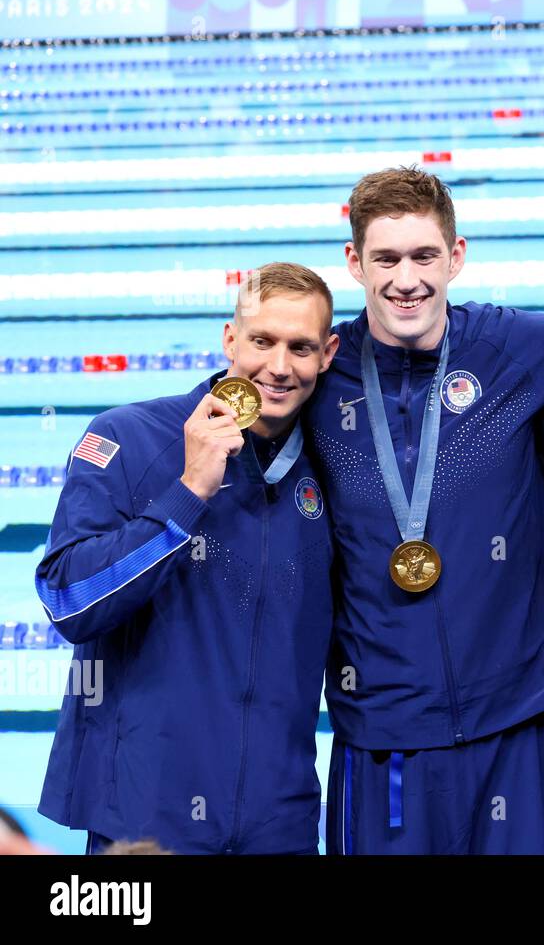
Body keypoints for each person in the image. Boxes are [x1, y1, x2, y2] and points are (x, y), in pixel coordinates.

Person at [307, 166, 544, 854]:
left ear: (456, 256)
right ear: (355, 263)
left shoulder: (523, 348)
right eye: (385, 258)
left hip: (513, 724)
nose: (405, 279)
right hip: (381, 734)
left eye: (423, 256)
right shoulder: (321, 372)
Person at [35, 263, 339, 854]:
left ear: (327, 354)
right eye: (262, 341)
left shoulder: (332, 469)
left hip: (280, 823)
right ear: (230, 339)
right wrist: (187, 495)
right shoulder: (130, 438)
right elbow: (68, 599)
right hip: (148, 818)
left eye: (300, 347)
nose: (279, 367)